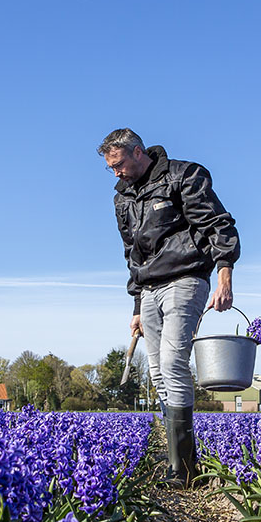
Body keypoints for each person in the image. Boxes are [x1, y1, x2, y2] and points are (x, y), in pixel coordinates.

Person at [100, 128, 240, 486]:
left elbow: (216, 223)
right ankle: (179, 454)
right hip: (148, 288)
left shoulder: (183, 175)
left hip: (186, 278)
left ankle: (184, 468)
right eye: (109, 168)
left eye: (118, 164)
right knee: (158, 372)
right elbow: (132, 252)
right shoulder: (123, 198)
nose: (115, 173)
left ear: (137, 151)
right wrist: (135, 303)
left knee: (174, 363)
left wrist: (224, 274)